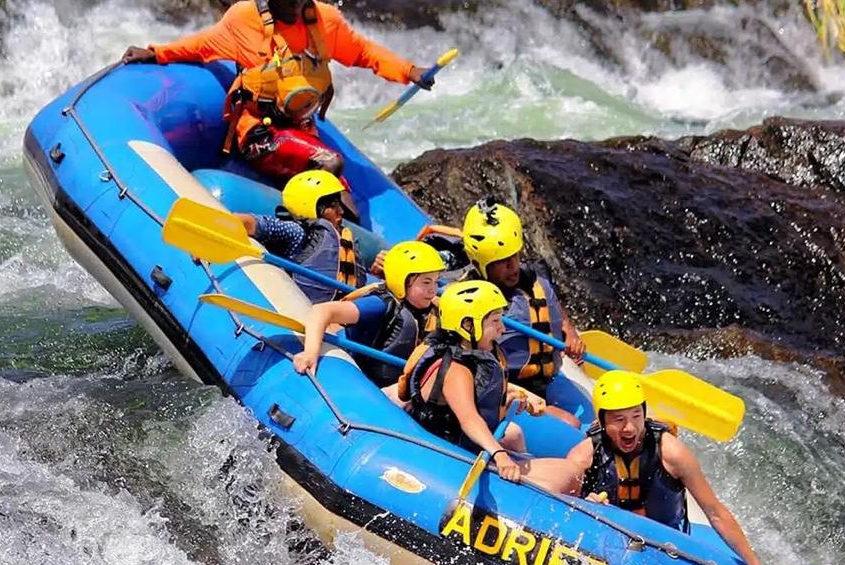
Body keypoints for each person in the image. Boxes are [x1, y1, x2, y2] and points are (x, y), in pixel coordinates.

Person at [122, 0, 432, 185]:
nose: (295, 5)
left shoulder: (323, 20)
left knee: (342, 194)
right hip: (259, 133)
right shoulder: (244, 19)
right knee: (330, 163)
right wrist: (156, 53)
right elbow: (201, 46)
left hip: (303, 128)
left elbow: (363, 51)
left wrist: (408, 71)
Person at [567, 371, 786, 565]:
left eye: (636, 416)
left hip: (665, 547)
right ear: (602, 420)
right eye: (619, 419)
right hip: (607, 542)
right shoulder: (584, 456)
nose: (629, 428)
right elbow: (562, 508)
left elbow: (715, 512)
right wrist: (586, 503)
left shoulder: (671, 453)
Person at [400, 280, 585, 495]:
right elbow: (469, 419)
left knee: (571, 471)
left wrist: (518, 396)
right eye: (495, 321)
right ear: (468, 325)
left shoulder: (473, 358)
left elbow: (481, 395)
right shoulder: (455, 370)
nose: (502, 329)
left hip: (467, 449)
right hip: (447, 456)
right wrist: (500, 455)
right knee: (567, 474)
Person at [457, 198, 588, 427]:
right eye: (501, 261)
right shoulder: (470, 299)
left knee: (596, 418)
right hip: (505, 388)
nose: (513, 266)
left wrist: (570, 332)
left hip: (547, 379)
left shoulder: (534, 277)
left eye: (514, 255)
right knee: (571, 424)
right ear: (481, 265)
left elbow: (554, 307)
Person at [292, 241, 445, 388]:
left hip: (386, 382)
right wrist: (310, 353)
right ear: (402, 282)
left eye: (436, 282)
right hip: (353, 372)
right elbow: (321, 311)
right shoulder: (380, 304)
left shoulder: (428, 309)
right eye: (426, 282)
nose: (433, 289)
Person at [235, 170, 366, 303]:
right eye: (333, 205)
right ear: (310, 206)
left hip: (334, 310)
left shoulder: (345, 243)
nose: (341, 211)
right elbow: (250, 223)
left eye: (339, 204)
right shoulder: (297, 232)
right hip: (297, 307)